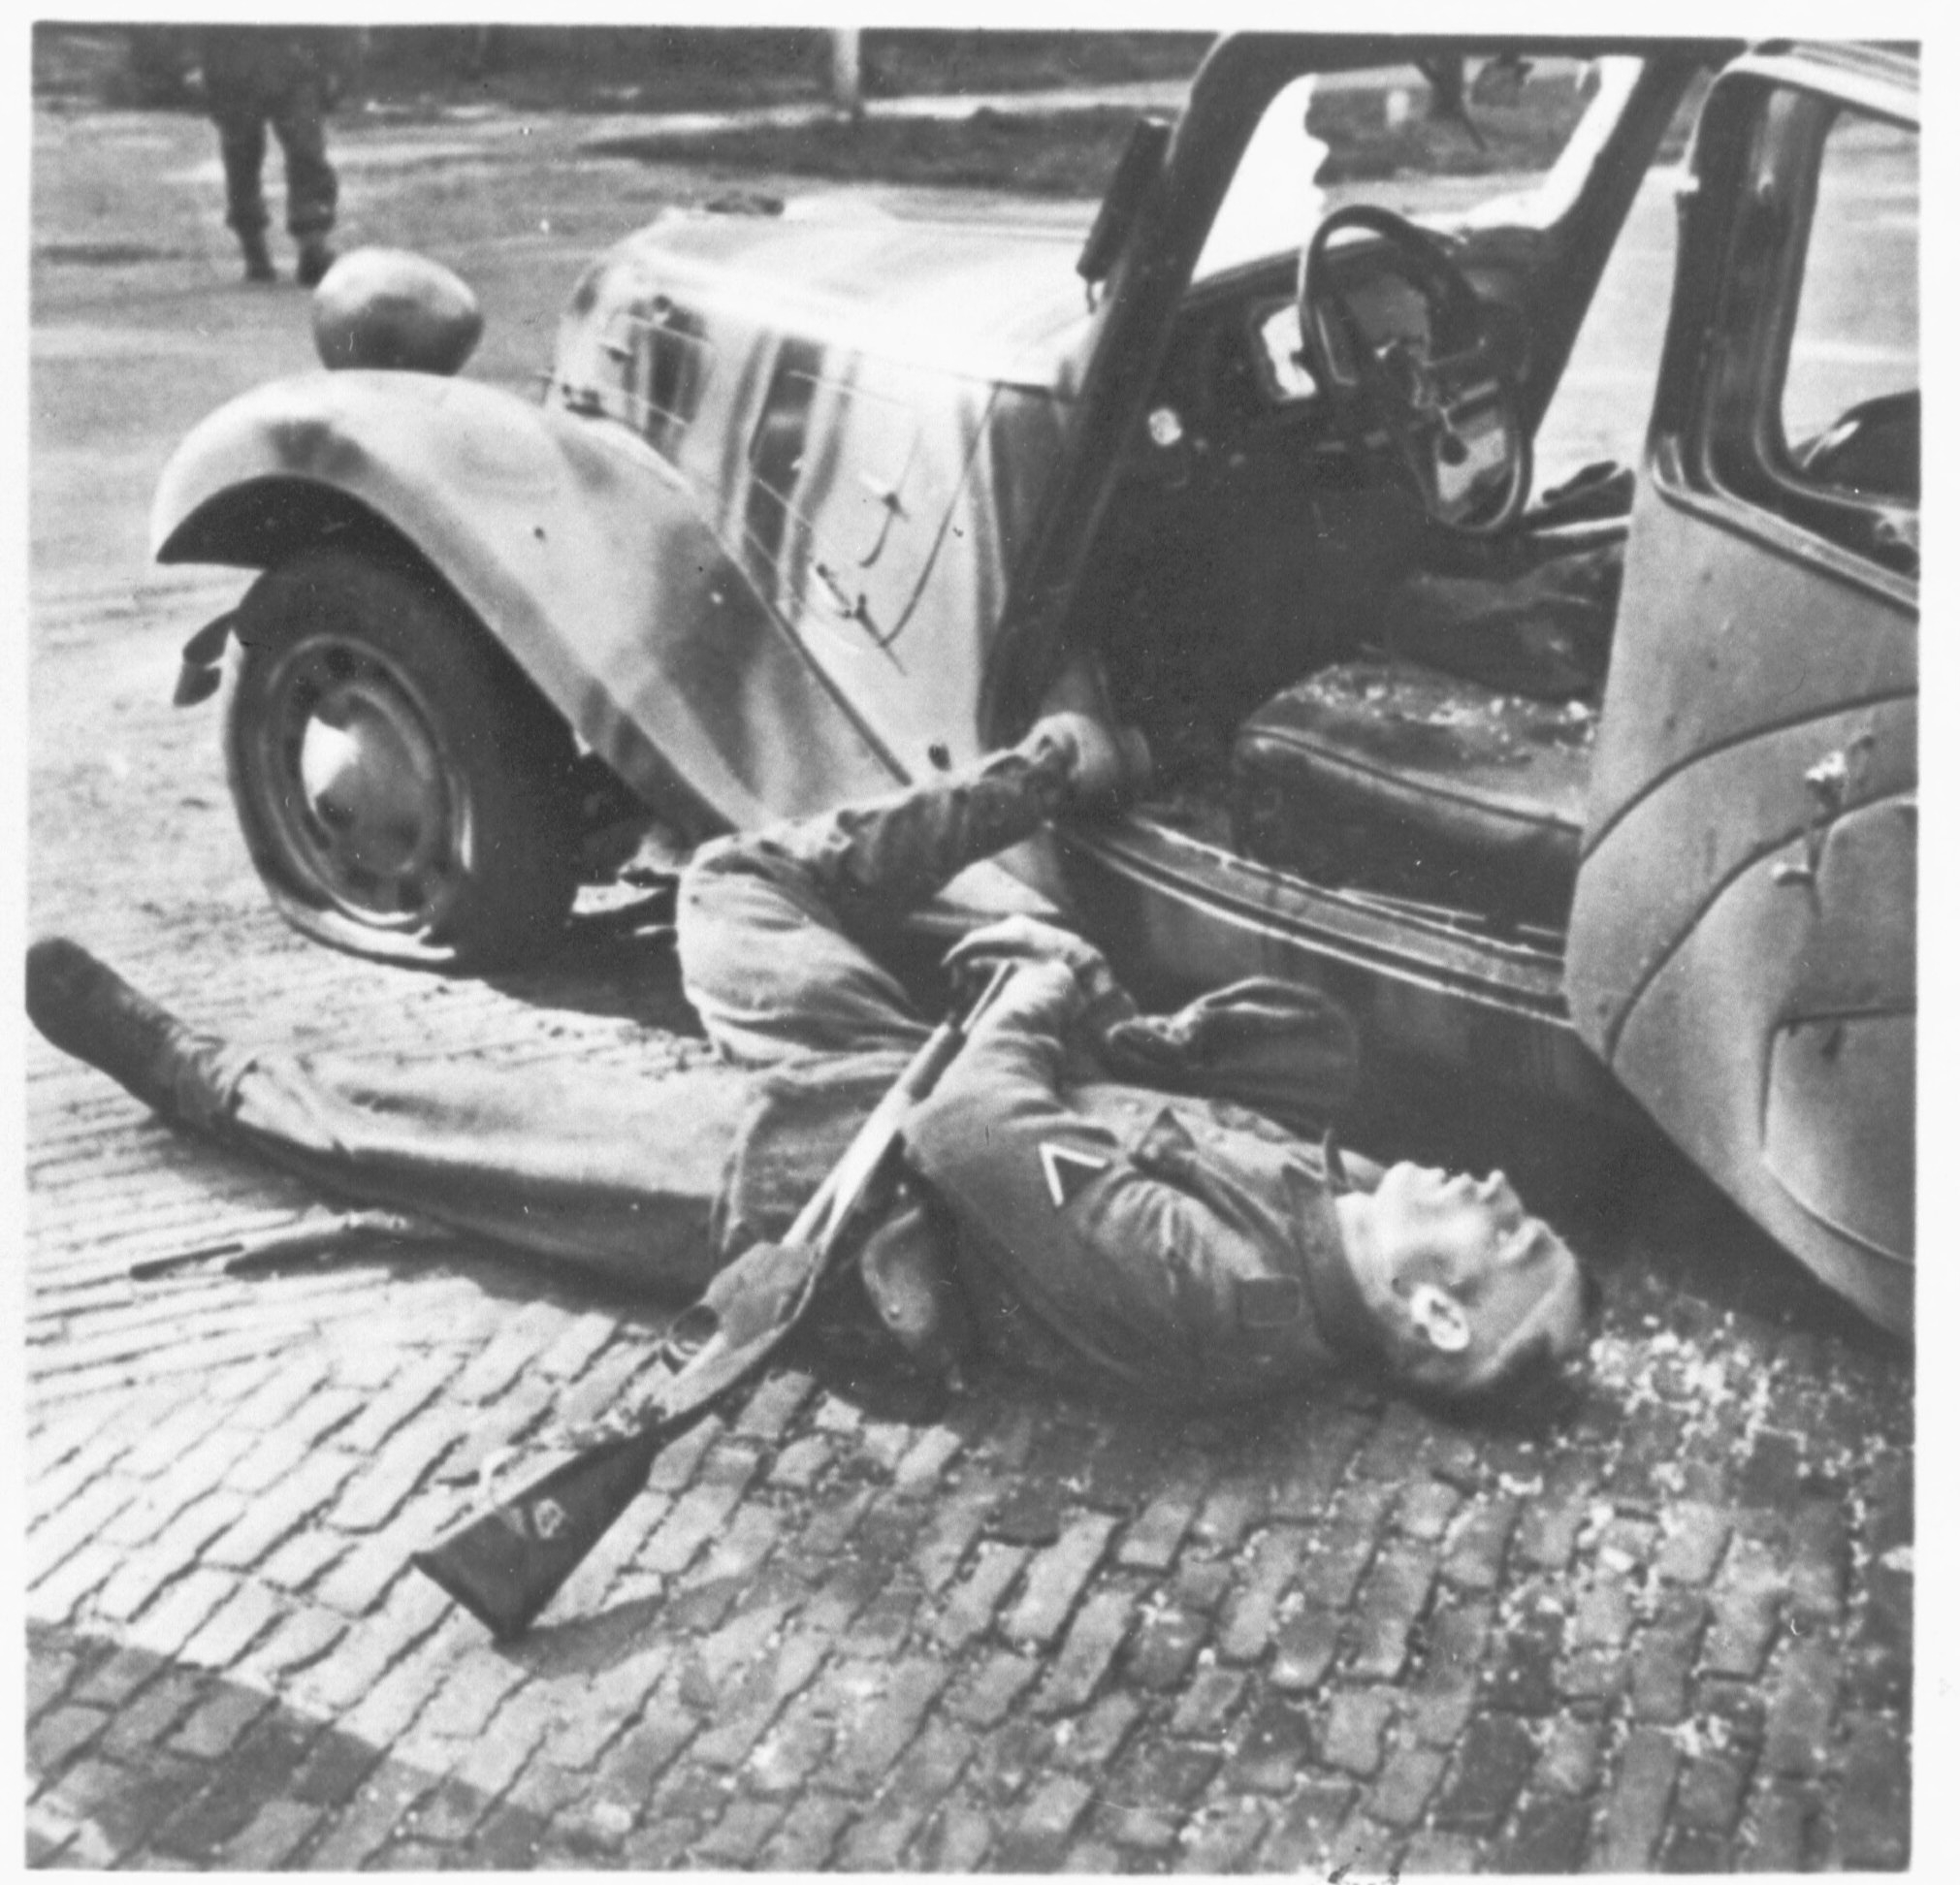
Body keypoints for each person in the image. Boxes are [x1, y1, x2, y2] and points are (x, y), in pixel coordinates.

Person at [26, 707, 1588, 1409]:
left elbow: (980, 1138)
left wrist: (1048, 987)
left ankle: (202, 1078)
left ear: (1431, 1310)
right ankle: (1027, 773)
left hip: (822, 1196)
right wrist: (1125, 1029)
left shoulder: (1227, 1293)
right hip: (907, 1072)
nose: (1500, 1188)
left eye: (1502, 1231)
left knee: (438, 1131)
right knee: (734, 888)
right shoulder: (1341, 1210)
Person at [195, 27, 345, 287]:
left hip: (296, 59)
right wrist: (191, 60)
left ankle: (312, 248)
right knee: (241, 158)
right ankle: (254, 251)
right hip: (232, 62)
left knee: (307, 152)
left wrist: (336, 61)